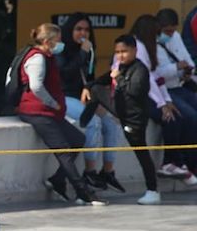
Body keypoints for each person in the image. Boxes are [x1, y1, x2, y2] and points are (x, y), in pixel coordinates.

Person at [15, 23, 104, 205]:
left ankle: (57, 179)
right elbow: (36, 86)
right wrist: (53, 103)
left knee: (78, 140)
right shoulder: (37, 58)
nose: (60, 44)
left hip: (49, 112)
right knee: (63, 150)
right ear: (47, 41)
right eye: (58, 41)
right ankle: (83, 192)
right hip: (37, 112)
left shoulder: (47, 56)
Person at [56, 13, 125, 192]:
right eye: (78, 29)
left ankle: (108, 171)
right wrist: (82, 53)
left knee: (110, 123)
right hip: (62, 97)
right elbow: (65, 73)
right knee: (92, 122)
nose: (83, 33)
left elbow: (89, 77)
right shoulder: (61, 49)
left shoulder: (89, 50)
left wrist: (90, 89)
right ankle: (90, 171)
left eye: (86, 29)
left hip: (82, 96)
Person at [91, 35, 161, 205]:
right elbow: (103, 80)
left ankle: (152, 190)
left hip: (134, 119)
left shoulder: (140, 70)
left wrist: (118, 78)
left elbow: (134, 92)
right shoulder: (121, 66)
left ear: (135, 51)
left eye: (124, 51)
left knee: (142, 153)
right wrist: (87, 87)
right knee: (95, 89)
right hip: (121, 111)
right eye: (117, 52)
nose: (120, 55)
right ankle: (88, 117)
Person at [128, 15, 197, 186]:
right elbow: (148, 80)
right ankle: (172, 162)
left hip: (158, 91)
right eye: (157, 33)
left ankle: (180, 162)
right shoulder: (138, 48)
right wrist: (163, 103)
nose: (160, 37)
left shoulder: (149, 46)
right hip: (139, 97)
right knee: (175, 116)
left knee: (177, 112)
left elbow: (156, 78)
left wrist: (165, 100)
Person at [155, 9, 197, 185]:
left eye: (172, 31)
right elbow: (158, 73)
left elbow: (188, 60)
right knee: (189, 116)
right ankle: (184, 163)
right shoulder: (152, 42)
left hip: (181, 85)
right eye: (167, 31)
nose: (170, 35)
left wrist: (188, 71)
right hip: (166, 89)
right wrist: (177, 67)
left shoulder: (176, 37)